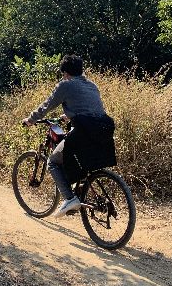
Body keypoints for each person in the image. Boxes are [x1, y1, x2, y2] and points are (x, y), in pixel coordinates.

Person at [22, 54, 116, 217]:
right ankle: (81, 189)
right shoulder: (92, 85)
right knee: (79, 159)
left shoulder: (65, 85)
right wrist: (70, 115)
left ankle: (70, 199)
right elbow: (90, 109)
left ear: (65, 73)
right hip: (104, 129)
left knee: (53, 162)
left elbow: (46, 106)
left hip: (84, 131)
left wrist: (31, 120)